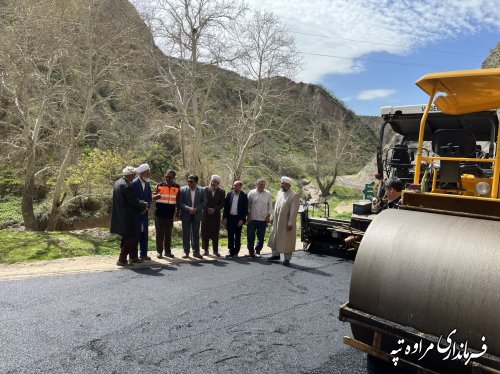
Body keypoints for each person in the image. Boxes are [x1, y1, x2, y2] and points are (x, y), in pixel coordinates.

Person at [110, 166, 148, 266]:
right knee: (130, 238)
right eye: (134, 174)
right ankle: (122, 259)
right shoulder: (126, 185)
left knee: (131, 237)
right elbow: (133, 202)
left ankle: (133, 257)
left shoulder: (118, 182)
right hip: (129, 217)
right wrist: (143, 204)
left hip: (122, 216)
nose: (135, 176)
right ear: (130, 175)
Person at [268, 176, 300, 265]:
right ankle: (275, 255)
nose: (281, 185)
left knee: (287, 240)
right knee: (275, 236)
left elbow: (294, 211)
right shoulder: (279, 192)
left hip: (286, 222)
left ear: (288, 185)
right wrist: (272, 217)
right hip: (277, 221)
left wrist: (290, 223)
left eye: (283, 184)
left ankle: (287, 259)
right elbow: (276, 207)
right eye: (281, 183)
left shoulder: (294, 195)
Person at [153, 170, 180, 259]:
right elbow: (152, 197)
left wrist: (178, 212)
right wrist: (156, 196)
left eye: (170, 177)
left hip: (170, 214)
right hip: (159, 213)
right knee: (160, 233)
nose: (168, 178)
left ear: (174, 178)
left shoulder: (177, 187)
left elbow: (178, 201)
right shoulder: (159, 185)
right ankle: (159, 252)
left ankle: (167, 252)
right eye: (166, 177)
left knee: (168, 234)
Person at [179, 175, 207, 259]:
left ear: (196, 182)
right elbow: (180, 202)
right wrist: (188, 208)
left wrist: (196, 209)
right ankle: (186, 251)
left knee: (195, 234)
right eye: (188, 181)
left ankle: (196, 252)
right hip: (186, 214)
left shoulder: (202, 190)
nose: (189, 183)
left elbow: (204, 202)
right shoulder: (183, 190)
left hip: (197, 215)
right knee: (186, 234)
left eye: (191, 181)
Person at [246, 178, 273, 258]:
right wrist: (248, 215)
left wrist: (268, 216)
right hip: (252, 218)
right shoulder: (251, 193)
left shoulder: (268, 193)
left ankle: (258, 251)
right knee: (250, 236)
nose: (262, 186)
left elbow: (270, 206)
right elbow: (248, 205)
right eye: (260, 184)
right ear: (256, 184)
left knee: (261, 237)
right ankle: (251, 251)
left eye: (263, 184)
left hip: (263, 219)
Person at [201, 175, 225, 257]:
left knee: (215, 233)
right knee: (204, 233)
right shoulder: (204, 189)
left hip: (215, 215)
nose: (213, 183)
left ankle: (215, 251)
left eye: (215, 182)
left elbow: (222, 203)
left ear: (218, 183)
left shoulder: (221, 191)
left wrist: (214, 209)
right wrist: (207, 208)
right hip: (205, 215)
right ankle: (205, 250)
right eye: (212, 181)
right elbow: (202, 201)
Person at [132, 163, 153, 260]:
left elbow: (149, 197)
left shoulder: (147, 183)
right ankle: (134, 255)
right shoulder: (134, 183)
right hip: (137, 213)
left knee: (144, 233)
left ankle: (144, 254)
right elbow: (133, 199)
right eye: (148, 172)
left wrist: (147, 206)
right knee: (136, 234)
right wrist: (141, 208)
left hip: (145, 213)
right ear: (143, 173)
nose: (149, 174)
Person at [223, 181, 248, 258]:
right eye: (234, 185)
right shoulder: (230, 194)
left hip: (238, 219)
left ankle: (236, 252)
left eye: (236, 186)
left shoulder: (244, 196)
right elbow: (226, 207)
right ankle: (231, 251)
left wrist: (242, 219)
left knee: (237, 236)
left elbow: (245, 209)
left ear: (240, 187)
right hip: (230, 217)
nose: (234, 187)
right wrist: (225, 217)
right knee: (230, 235)